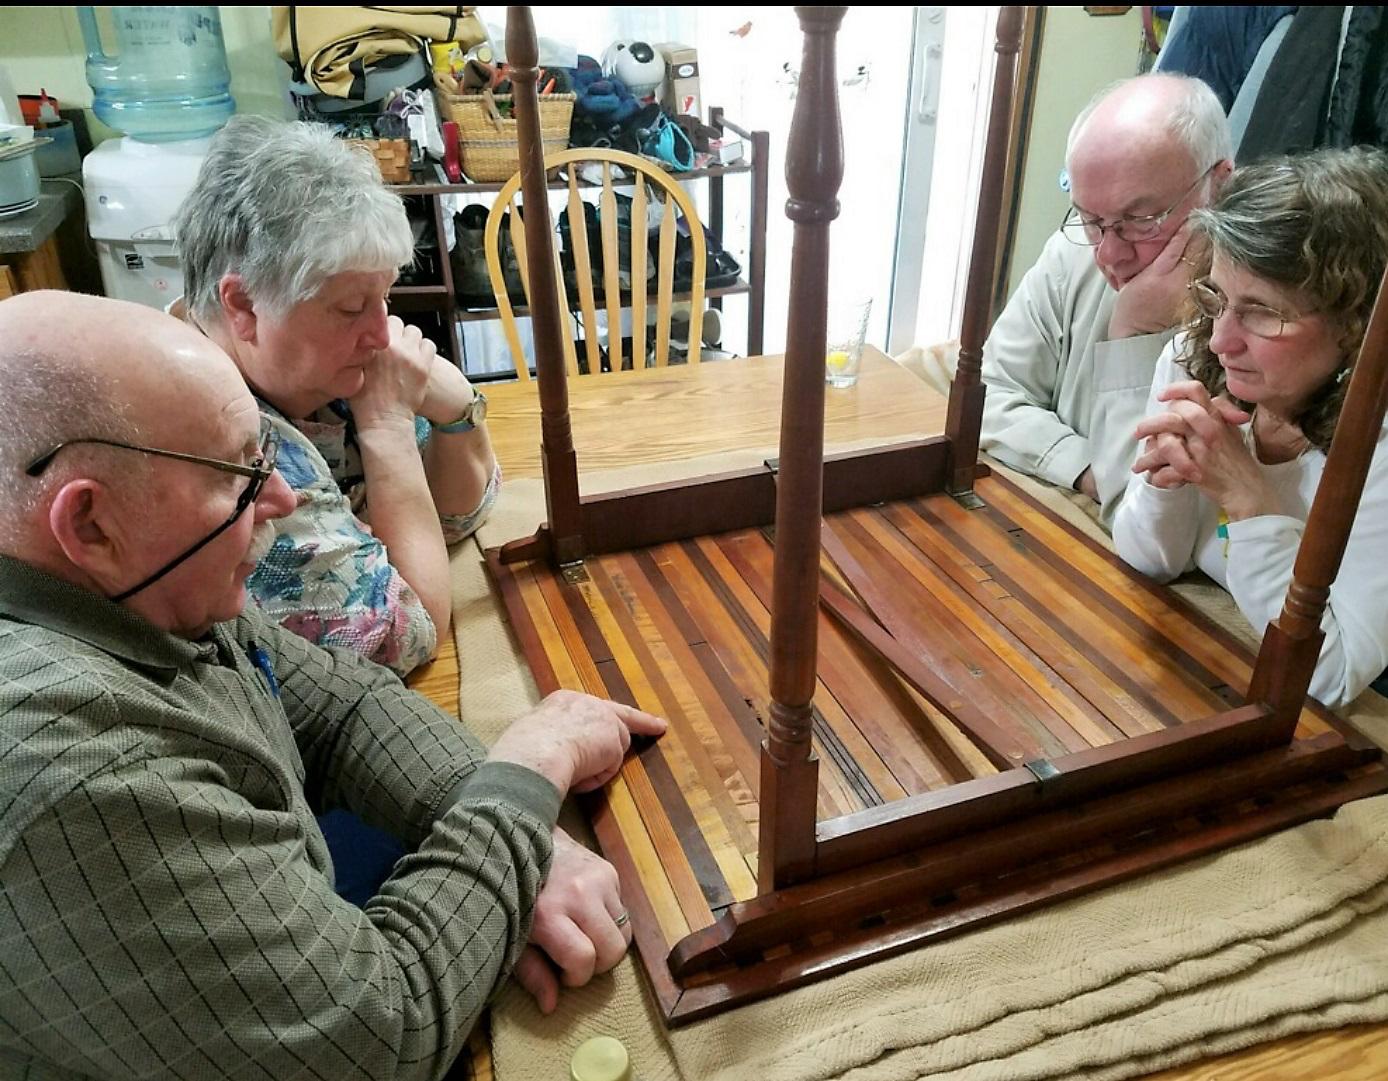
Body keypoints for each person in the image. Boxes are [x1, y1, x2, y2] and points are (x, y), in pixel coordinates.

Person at [0, 291, 666, 1077]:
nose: (280, 498)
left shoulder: (141, 583)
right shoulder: (81, 773)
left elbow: (343, 706)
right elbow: (383, 1035)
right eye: (239, 476)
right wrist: (526, 773)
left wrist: (524, 848)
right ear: (89, 525)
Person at [176, 115, 499, 678]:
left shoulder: (307, 373)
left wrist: (457, 412)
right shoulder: (225, 442)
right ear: (244, 305)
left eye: (385, 297)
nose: (382, 333)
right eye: (351, 308)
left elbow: (456, 514)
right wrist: (388, 428)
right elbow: (412, 628)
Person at [1113, 148, 1388, 709]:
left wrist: (1247, 496)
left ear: (1354, 324)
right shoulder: (1196, 358)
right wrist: (1166, 486)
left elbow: (1329, 679)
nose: (1221, 339)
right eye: (1217, 298)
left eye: (1262, 312)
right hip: (1203, 654)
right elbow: (1153, 561)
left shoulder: (1377, 446)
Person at [980, 73, 1234, 525]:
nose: (1109, 253)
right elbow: (988, 393)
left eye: (1141, 219)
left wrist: (1134, 331)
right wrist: (1086, 468)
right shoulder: (1071, 251)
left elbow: (1175, 524)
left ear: (1219, 184)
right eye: (1091, 218)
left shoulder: (1263, 307)